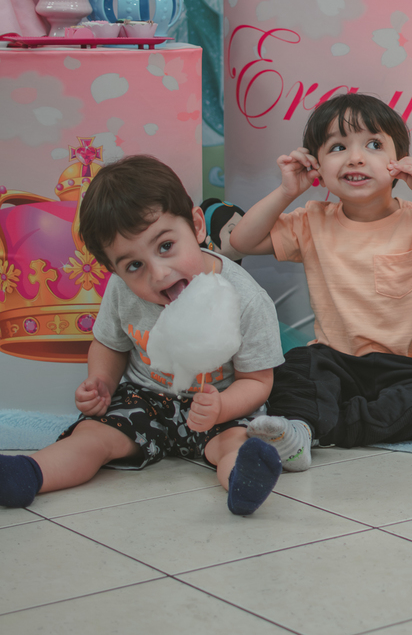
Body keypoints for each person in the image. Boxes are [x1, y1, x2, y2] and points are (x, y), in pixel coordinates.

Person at [0, 156, 285, 515]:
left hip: (218, 405)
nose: (159, 273)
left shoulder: (246, 299)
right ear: (115, 270)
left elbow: (258, 380)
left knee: (235, 443)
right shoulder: (121, 291)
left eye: (165, 246)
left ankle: (244, 482)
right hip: (145, 399)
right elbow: (109, 343)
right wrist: (100, 381)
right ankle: (27, 473)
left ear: (197, 226)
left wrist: (221, 408)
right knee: (92, 437)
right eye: (134, 265)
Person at [229, 93, 412, 470]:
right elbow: (241, 241)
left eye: (374, 145)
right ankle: (309, 426)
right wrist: (287, 191)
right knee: (295, 368)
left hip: (407, 367)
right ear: (318, 167)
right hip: (335, 361)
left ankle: (321, 428)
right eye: (338, 146)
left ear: (399, 163)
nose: (356, 157)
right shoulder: (312, 220)